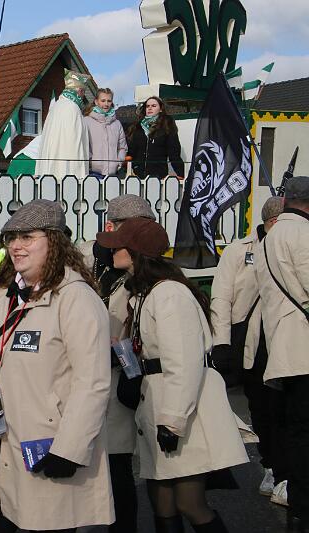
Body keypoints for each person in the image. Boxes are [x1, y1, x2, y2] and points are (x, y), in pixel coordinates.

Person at [0, 199, 113, 532]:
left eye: (27, 237)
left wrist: (69, 449)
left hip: (45, 448)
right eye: (12, 237)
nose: (16, 245)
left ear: (54, 240)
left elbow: (93, 382)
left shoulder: (76, 298)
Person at [97, 217, 248, 533]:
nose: (111, 252)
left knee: (189, 504)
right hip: (159, 404)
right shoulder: (146, 292)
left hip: (180, 410)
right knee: (162, 501)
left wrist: (173, 421)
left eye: (119, 246)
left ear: (136, 252)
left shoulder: (168, 295)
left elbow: (184, 363)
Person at [79, 193, 156, 533]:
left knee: (119, 463)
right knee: (78, 454)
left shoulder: (146, 263)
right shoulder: (84, 255)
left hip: (121, 368)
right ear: (112, 226)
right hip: (82, 371)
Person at [211, 196, 287, 497]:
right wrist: (221, 342)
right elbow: (222, 297)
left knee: (285, 409)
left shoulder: (294, 246)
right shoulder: (240, 250)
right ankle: (271, 464)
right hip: (251, 343)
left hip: (283, 337)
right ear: (272, 223)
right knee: (261, 407)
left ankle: (286, 471)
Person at [255, 176, 309, 531]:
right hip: (303, 348)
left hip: (284, 348)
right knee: (304, 432)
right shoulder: (302, 234)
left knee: (294, 430)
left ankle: (298, 506)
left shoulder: (269, 238)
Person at [36, 69, 91, 179]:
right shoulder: (73, 108)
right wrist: (78, 172)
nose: (83, 96)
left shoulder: (56, 106)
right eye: (83, 92)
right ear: (79, 90)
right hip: (68, 174)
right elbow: (75, 143)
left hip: (49, 171)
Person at [126, 96, 184, 179]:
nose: (150, 108)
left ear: (160, 109)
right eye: (147, 106)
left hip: (159, 176)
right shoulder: (136, 127)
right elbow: (131, 152)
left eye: (153, 106)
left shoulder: (167, 126)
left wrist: (181, 174)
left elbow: (174, 153)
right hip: (137, 176)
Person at [84, 88, 127, 177]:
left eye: (109, 101)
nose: (106, 104)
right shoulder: (86, 121)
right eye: (103, 101)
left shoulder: (117, 124)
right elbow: (83, 145)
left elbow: (122, 147)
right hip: (92, 173)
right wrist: (90, 162)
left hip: (113, 174)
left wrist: (118, 162)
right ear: (96, 102)